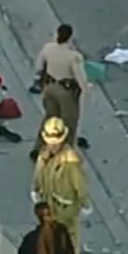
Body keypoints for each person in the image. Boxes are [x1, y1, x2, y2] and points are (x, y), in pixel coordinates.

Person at [32, 118, 91, 254]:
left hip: (65, 210)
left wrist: (83, 205)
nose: (53, 146)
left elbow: (80, 187)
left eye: (56, 143)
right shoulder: (44, 154)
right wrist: (36, 190)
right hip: (48, 208)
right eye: (50, 143)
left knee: (67, 246)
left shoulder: (71, 161)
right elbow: (39, 174)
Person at [31, 24, 90, 159]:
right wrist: (86, 89)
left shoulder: (48, 48)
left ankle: (38, 148)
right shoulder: (73, 56)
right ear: (70, 37)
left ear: (56, 34)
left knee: (50, 118)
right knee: (69, 122)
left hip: (49, 87)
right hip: (66, 90)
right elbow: (79, 76)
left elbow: (39, 67)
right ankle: (65, 152)